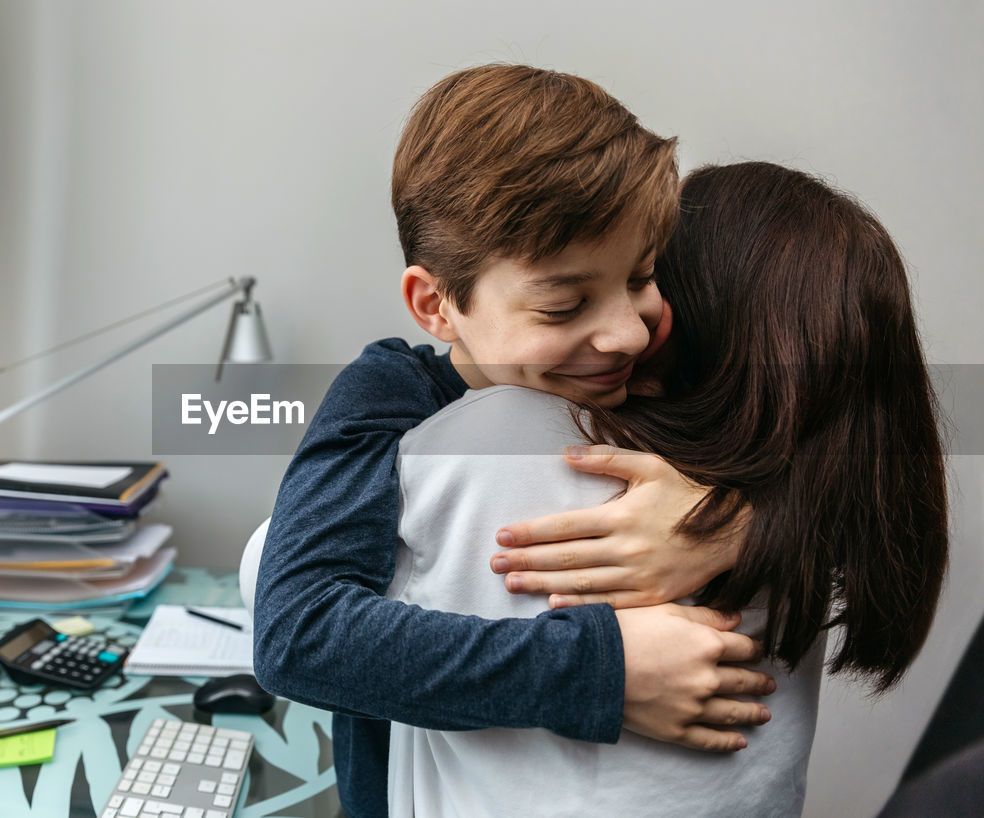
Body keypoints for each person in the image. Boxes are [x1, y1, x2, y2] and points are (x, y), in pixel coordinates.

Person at [253, 64, 773, 817]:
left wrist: (739, 526)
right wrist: (606, 669)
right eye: (564, 306)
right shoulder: (388, 399)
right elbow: (300, 634)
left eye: (642, 276)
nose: (628, 330)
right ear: (436, 305)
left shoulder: (665, 371)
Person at [387, 162, 949, 816]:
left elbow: (278, 585)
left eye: (644, 272)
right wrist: (745, 525)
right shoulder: (810, 513)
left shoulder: (511, 435)